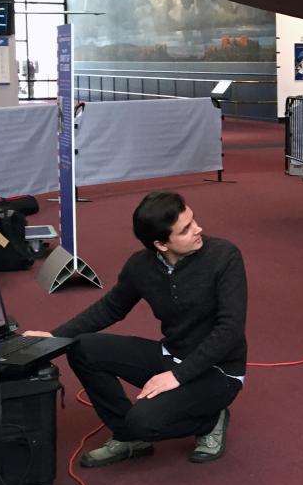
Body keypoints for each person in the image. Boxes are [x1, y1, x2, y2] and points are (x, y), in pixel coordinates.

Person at [25, 191, 247, 467]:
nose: (198, 229)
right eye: (186, 228)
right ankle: (129, 437)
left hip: (219, 371)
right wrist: (55, 337)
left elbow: (230, 329)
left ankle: (212, 419)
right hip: (172, 356)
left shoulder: (224, 257)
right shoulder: (140, 265)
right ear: (161, 244)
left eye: (194, 220)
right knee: (81, 347)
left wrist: (178, 375)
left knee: (144, 421)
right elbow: (110, 308)